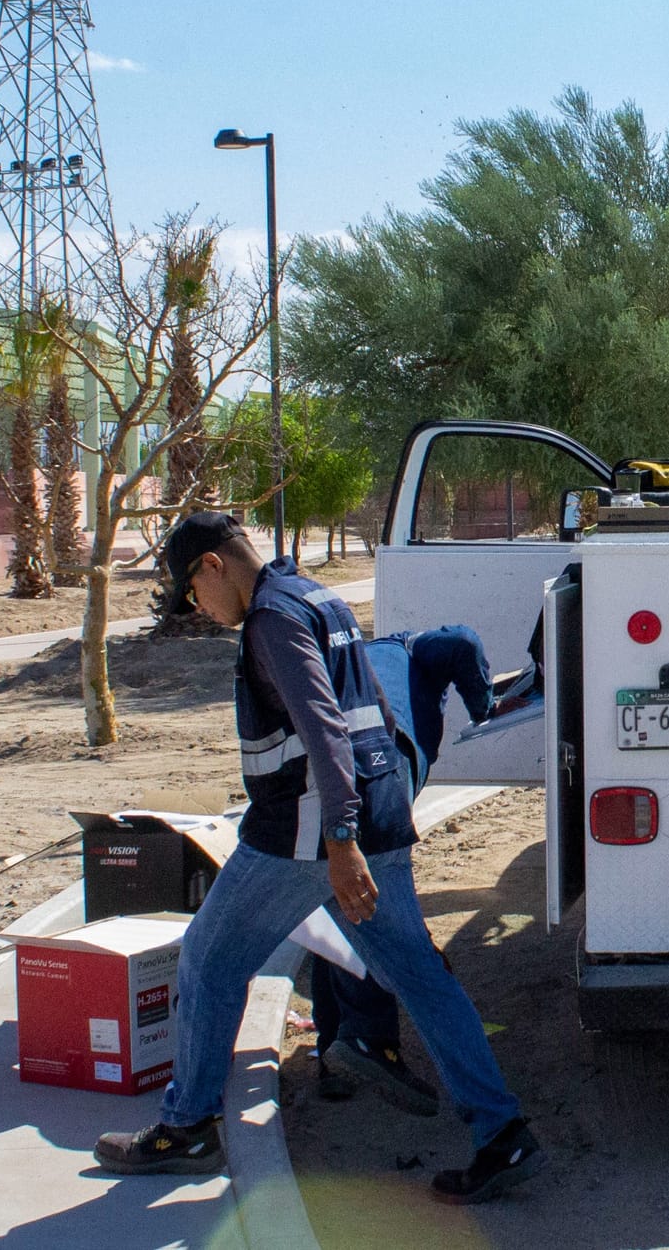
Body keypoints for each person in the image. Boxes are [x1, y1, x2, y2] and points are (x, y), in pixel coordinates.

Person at [94, 514, 545, 1206]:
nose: (199, 611)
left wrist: (339, 843)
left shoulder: (270, 621)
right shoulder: (316, 596)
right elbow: (370, 714)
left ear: (213, 565)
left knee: (209, 962)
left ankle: (186, 1128)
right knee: (420, 977)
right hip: (378, 818)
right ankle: (502, 1131)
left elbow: (324, 729)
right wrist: (365, 829)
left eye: (192, 593)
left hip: (305, 837)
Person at [311, 623, 496, 1115]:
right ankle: (370, 1038)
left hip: (325, 782)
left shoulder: (347, 662)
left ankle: (332, 1055)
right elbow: (463, 642)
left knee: (336, 905)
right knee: (375, 911)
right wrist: (486, 707)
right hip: (381, 773)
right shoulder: (410, 647)